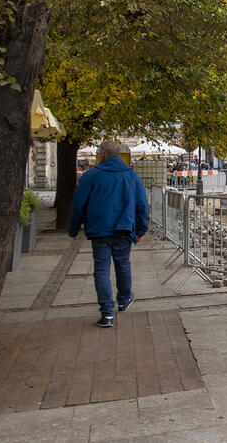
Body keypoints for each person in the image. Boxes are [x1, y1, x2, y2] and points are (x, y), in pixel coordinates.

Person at [70, 140, 149, 328]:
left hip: (99, 229)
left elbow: (78, 205)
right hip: (123, 229)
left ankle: (107, 313)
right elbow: (142, 206)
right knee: (122, 264)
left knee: (101, 270)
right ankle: (124, 298)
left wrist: (74, 228)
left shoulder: (91, 176)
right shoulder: (132, 177)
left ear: (102, 155)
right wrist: (141, 229)